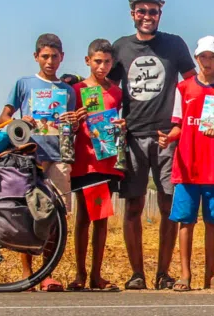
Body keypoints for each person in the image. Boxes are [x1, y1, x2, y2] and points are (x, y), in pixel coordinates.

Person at [108, 0, 197, 290]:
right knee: (133, 207)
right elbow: (107, 90)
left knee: (167, 206)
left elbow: (193, 85)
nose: (147, 16)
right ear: (132, 13)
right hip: (132, 136)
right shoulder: (120, 47)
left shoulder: (174, 45)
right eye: (142, 11)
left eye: (153, 11)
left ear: (161, 13)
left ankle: (164, 273)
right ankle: (137, 274)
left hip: (166, 136)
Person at [0, 33, 77, 292]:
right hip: (29, 157)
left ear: (62, 57)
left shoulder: (67, 91)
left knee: (54, 218)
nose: (50, 61)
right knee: (28, 216)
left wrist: (73, 122)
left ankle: (47, 274)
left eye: (54, 56)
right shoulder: (24, 84)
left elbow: (71, 128)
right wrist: (21, 122)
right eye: (45, 56)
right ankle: (27, 274)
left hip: (58, 157)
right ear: (36, 57)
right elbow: (4, 117)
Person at [160, 36, 214, 291]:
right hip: (187, 165)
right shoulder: (184, 88)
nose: (207, 61)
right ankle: (185, 274)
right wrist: (167, 138)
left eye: (212, 57)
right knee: (186, 222)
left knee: (212, 222)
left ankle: (210, 275)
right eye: (203, 56)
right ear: (196, 58)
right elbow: (178, 125)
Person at [67, 39, 125, 292]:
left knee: (101, 218)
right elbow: (65, 124)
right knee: (83, 217)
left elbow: (120, 121)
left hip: (106, 161)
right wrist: (74, 119)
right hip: (84, 161)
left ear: (112, 64)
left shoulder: (117, 93)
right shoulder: (76, 90)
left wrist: (122, 125)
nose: (102, 67)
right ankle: (80, 274)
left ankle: (96, 275)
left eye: (107, 62)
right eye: (98, 61)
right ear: (87, 61)